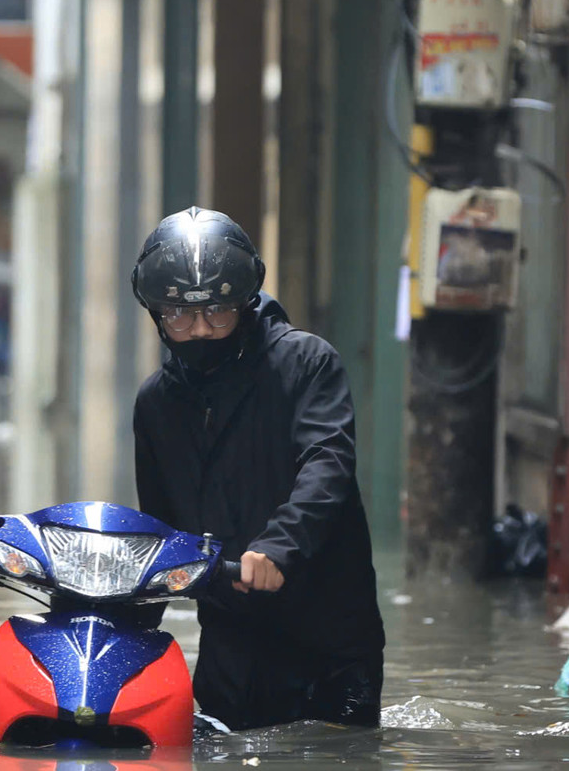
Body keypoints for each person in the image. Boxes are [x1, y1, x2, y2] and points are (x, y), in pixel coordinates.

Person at [130, 207, 387, 731]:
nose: (201, 331)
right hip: (231, 641)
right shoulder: (156, 405)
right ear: (157, 316)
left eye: (218, 313)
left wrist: (277, 547)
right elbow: (158, 530)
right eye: (181, 315)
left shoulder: (306, 363)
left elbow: (327, 463)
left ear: (245, 305)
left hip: (328, 635)